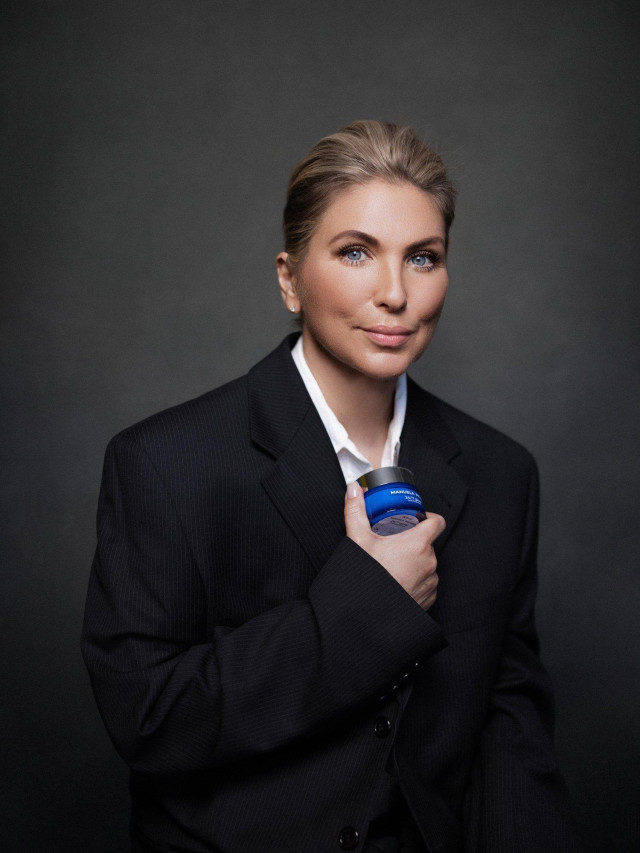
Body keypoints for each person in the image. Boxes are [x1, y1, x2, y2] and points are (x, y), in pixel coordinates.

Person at [82, 120, 583, 852]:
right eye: (356, 252)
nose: (394, 293)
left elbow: (509, 728)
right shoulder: (164, 462)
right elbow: (148, 717)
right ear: (289, 278)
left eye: (423, 257)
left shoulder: (502, 472)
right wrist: (366, 604)